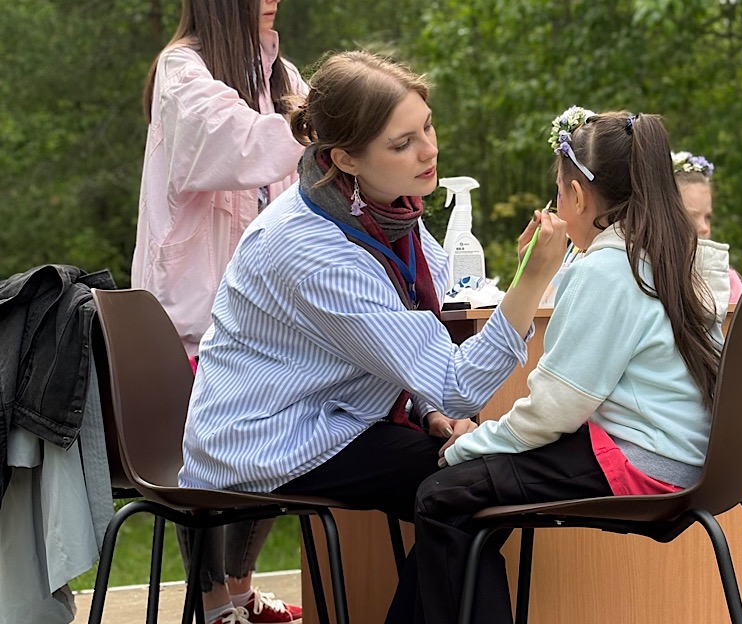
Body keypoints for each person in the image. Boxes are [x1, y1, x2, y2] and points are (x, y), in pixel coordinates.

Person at [177, 50, 569, 623]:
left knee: (469, 489)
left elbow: (414, 351)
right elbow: (455, 382)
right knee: (474, 485)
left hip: (332, 417)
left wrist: (431, 411)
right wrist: (532, 280)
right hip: (268, 436)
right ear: (346, 159)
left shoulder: (385, 212)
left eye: (427, 127)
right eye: (402, 143)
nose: (429, 151)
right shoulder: (312, 250)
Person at [412, 107, 727, 624]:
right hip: (686, 459)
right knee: (465, 494)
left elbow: (554, 411)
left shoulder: (607, 270)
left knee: (442, 495)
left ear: (577, 195)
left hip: (642, 465)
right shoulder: (664, 254)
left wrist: (469, 445)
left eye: (558, 192)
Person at [131, 0, 307, 624]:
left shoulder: (282, 78)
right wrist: (328, 122)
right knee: (205, 461)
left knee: (284, 441)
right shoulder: (181, 73)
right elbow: (236, 144)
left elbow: (314, 172)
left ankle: (238, 590)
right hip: (193, 315)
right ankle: (209, 605)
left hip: (269, 312)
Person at [673, 149, 742, 608]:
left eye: (708, 218)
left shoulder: (723, 280)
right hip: (709, 428)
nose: (703, 229)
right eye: (691, 218)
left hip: (714, 426)